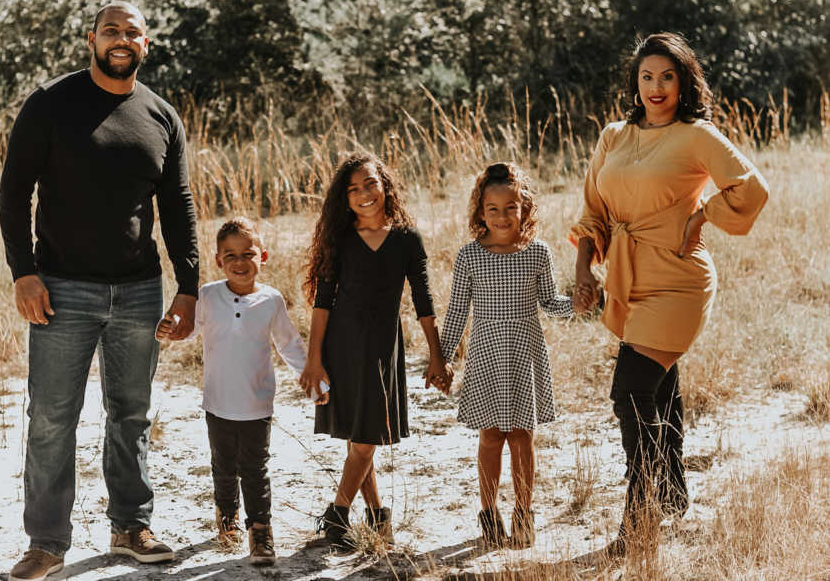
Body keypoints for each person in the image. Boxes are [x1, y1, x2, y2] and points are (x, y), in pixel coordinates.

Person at [0, 1, 199, 581]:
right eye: (111, 30)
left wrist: (188, 286)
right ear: (91, 38)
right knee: (53, 419)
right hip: (61, 289)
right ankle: (46, 544)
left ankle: (131, 526)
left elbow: (178, 206)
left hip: (139, 291)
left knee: (131, 414)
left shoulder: (161, 116)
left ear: (146, 43)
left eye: (131, 31)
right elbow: (14, 196)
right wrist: (24, 272)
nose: (121, 39)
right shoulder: (50, 104)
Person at [571, 32, 769, 555]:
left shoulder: (696, 135)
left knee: (630, 392)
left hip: (679, 278)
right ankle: (674, 491)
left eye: (667, 77)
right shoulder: (614, 135)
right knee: (656, 387)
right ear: (635, 83)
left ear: (683, 82)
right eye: (646, 77)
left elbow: (752, 189)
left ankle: (640, 521)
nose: (656, 87)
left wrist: (704, 213)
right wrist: (584, 269)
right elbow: (593, 206)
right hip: (628, 276)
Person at [298, 152, 452, 550]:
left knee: (365, 437)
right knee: (360, 437)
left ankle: (348, 515)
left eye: (370, 184)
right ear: (344, 200)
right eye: (353, 190)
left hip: (384, 348)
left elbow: (424, 300)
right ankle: (358, 517)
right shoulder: (342, 241)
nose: (364, 194)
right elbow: (322, 303)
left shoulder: (406, 239)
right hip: (342, 346)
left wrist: (437, 355)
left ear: (385, 184)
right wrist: (313, 359)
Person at [439, 163, 585, 548]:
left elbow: (550, 303)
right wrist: (442, 358)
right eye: (493, 208)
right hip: (486, 352)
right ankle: (489, 514)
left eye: (511, 207)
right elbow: (456, 313)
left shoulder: (537, 253)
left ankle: (524, 513)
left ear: (525, 208)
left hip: (525, 351)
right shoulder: (470, 256)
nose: (502, 217)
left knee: (523, 435)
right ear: (480, 212)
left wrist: (578, 304)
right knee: (490, 435)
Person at [156, 216, 306, 566]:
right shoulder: (207, 296)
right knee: (223, 467)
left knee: (255, 469)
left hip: (257, 404)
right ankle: (228, 519)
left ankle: (261, 531)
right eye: (230, 255)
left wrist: (314, 380)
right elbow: (187, 330)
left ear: (263, 256)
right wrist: (170, 327)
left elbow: (290, 346)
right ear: (218, 260)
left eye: (248, 254)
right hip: (218, 402)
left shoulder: (271, 300)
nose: (240, 262)